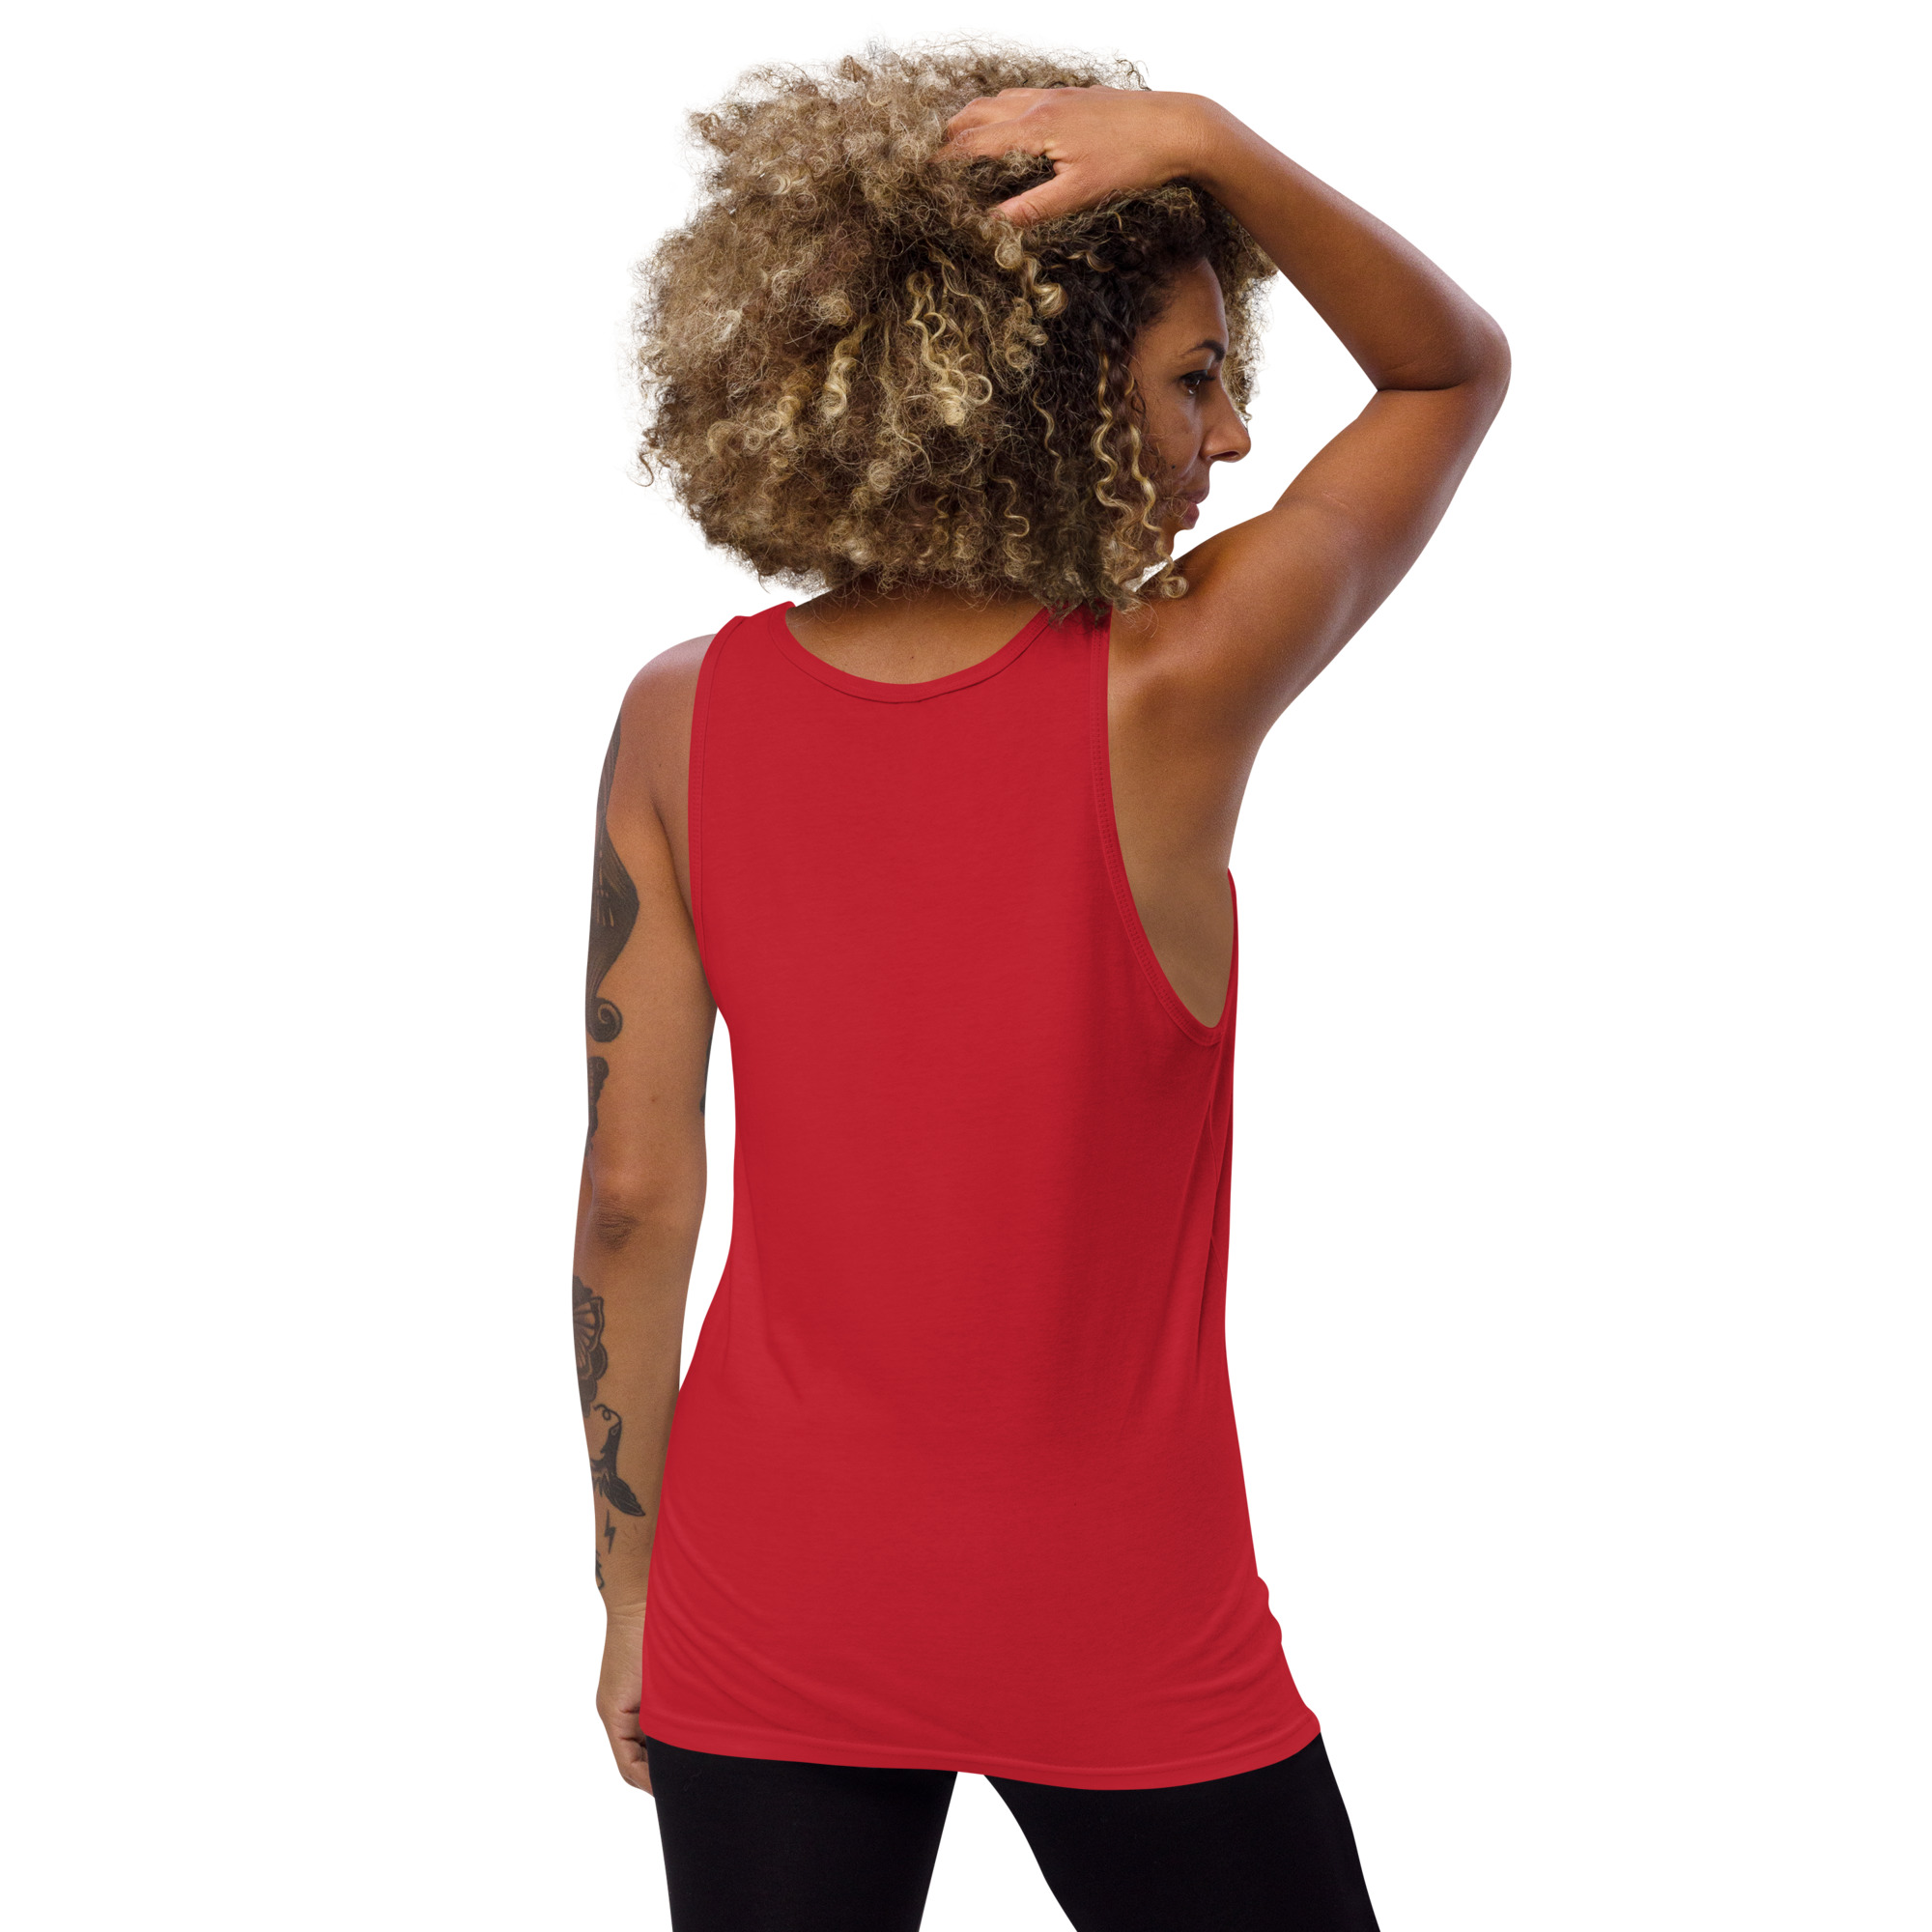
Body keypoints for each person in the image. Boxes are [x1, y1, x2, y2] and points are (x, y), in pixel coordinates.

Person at [575, 44, 1507, 1931]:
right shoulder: (1171, 686)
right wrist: (1210, 143)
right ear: (1050, 397)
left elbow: (633, 1197)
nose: (1230, 438)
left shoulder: (681, 716)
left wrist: (630, 1586)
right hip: (1114, 1604)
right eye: (1193, 378)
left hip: (769, 1589)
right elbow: (1447, 373)